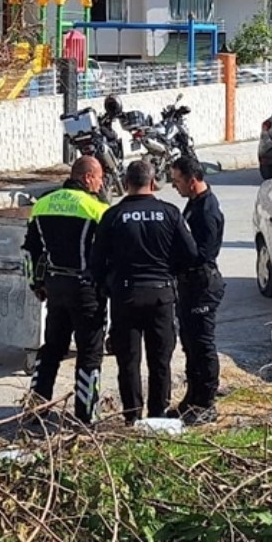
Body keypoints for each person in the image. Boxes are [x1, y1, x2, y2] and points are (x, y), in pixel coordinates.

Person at [91, 160, 199, 424]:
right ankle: (158, 416)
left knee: (128, 362)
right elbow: (191, 255)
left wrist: (109, 284)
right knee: (160, 361)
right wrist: (169, 270)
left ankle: (132, 417)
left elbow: (96, 262)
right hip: (161, 295)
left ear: (126, 184)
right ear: (153, 183)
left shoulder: (113, 216)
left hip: (125, 296)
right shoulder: (171, 213)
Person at [23, 156, 111, 425]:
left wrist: (36, 284)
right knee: (89, 352)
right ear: (87, 178)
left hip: (55, 287)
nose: (101, 183)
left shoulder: (42, 204)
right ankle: (86, 414)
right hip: (85, 289)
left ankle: (36, 408)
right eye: (99, 178)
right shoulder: (96, 209)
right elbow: (107, 254)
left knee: (52, 349)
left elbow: (31, 251)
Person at [168, 155, 224, 424]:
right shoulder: (193, 203)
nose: (174, 185)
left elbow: (204, 253)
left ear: (192, 181)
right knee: (189, 343)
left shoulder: (207, 210)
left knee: (202, 344)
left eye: (177, 180)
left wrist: (178, 257)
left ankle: (207, 401)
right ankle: (193, 396)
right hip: (187, 284)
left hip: (202, 284)